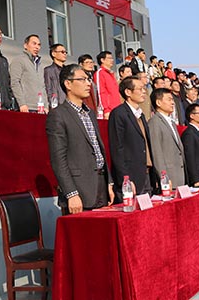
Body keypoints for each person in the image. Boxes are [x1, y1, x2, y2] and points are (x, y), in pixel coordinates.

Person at [46, 64, 114, 213]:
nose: (88, 83)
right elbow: (58, 159)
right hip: (79, 191)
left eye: (88, 79)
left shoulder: (90, 113)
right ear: (68, 84)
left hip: (100, 185)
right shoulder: (58, 115)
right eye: (82, 79)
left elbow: (98, 149)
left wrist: (109, 182)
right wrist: (71, 193)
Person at [109, 76, 157, 200]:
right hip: (131, 177)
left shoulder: (141, 115)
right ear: (128, 92)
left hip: (146, 174)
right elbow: (117, 149)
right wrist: (125, 179)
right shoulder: (119, 114)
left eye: (144, 88)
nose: (144, 92)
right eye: (140, 89)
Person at [147, 88, 186, 187]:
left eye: (172, 99)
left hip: (179, 176)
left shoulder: (172, 123)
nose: (172, 103)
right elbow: (157, 153)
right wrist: (164, 177)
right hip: (168, 179)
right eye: (169, 99)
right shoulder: (155, 122)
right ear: (158, 102)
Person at [10, 34, 46, 113]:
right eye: (34, 44)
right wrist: (22, 103)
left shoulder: (39, 64)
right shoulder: (19, 60)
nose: (37, 47)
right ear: (25, 45)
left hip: (40, 108)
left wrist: (46, 105)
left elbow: (43, 87)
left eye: (39, 45)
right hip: (26, 107)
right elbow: (15, 83)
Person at [94, 50, 120, 119]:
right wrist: (105, 110)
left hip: (117, 108)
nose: (112, 60)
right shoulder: (100, 73)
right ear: (102, 60)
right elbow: (100, 92)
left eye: (112, 58)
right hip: (108, 110)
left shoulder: (111, 74)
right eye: (109, 58)